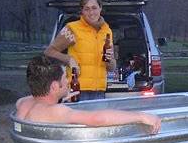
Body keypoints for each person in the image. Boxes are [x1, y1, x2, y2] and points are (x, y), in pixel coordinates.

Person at [16, 55, 160, 134]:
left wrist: (57, 98)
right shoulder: (57, 112)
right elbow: (97, 119)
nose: (68, 80)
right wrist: (141, 116)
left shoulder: (23, 103)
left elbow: (40, 99)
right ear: (54, 86)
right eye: (64, 78)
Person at [44, 0, 115, 101]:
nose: (91, 12)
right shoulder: (72, 29)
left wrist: (110, 61)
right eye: (87, 9)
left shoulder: (107, 31)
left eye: (94, 8)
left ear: (100, 8)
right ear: (81, 11)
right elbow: (49, 51)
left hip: (99, 91)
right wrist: (69, 60)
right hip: (77, 91)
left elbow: (111, 67)